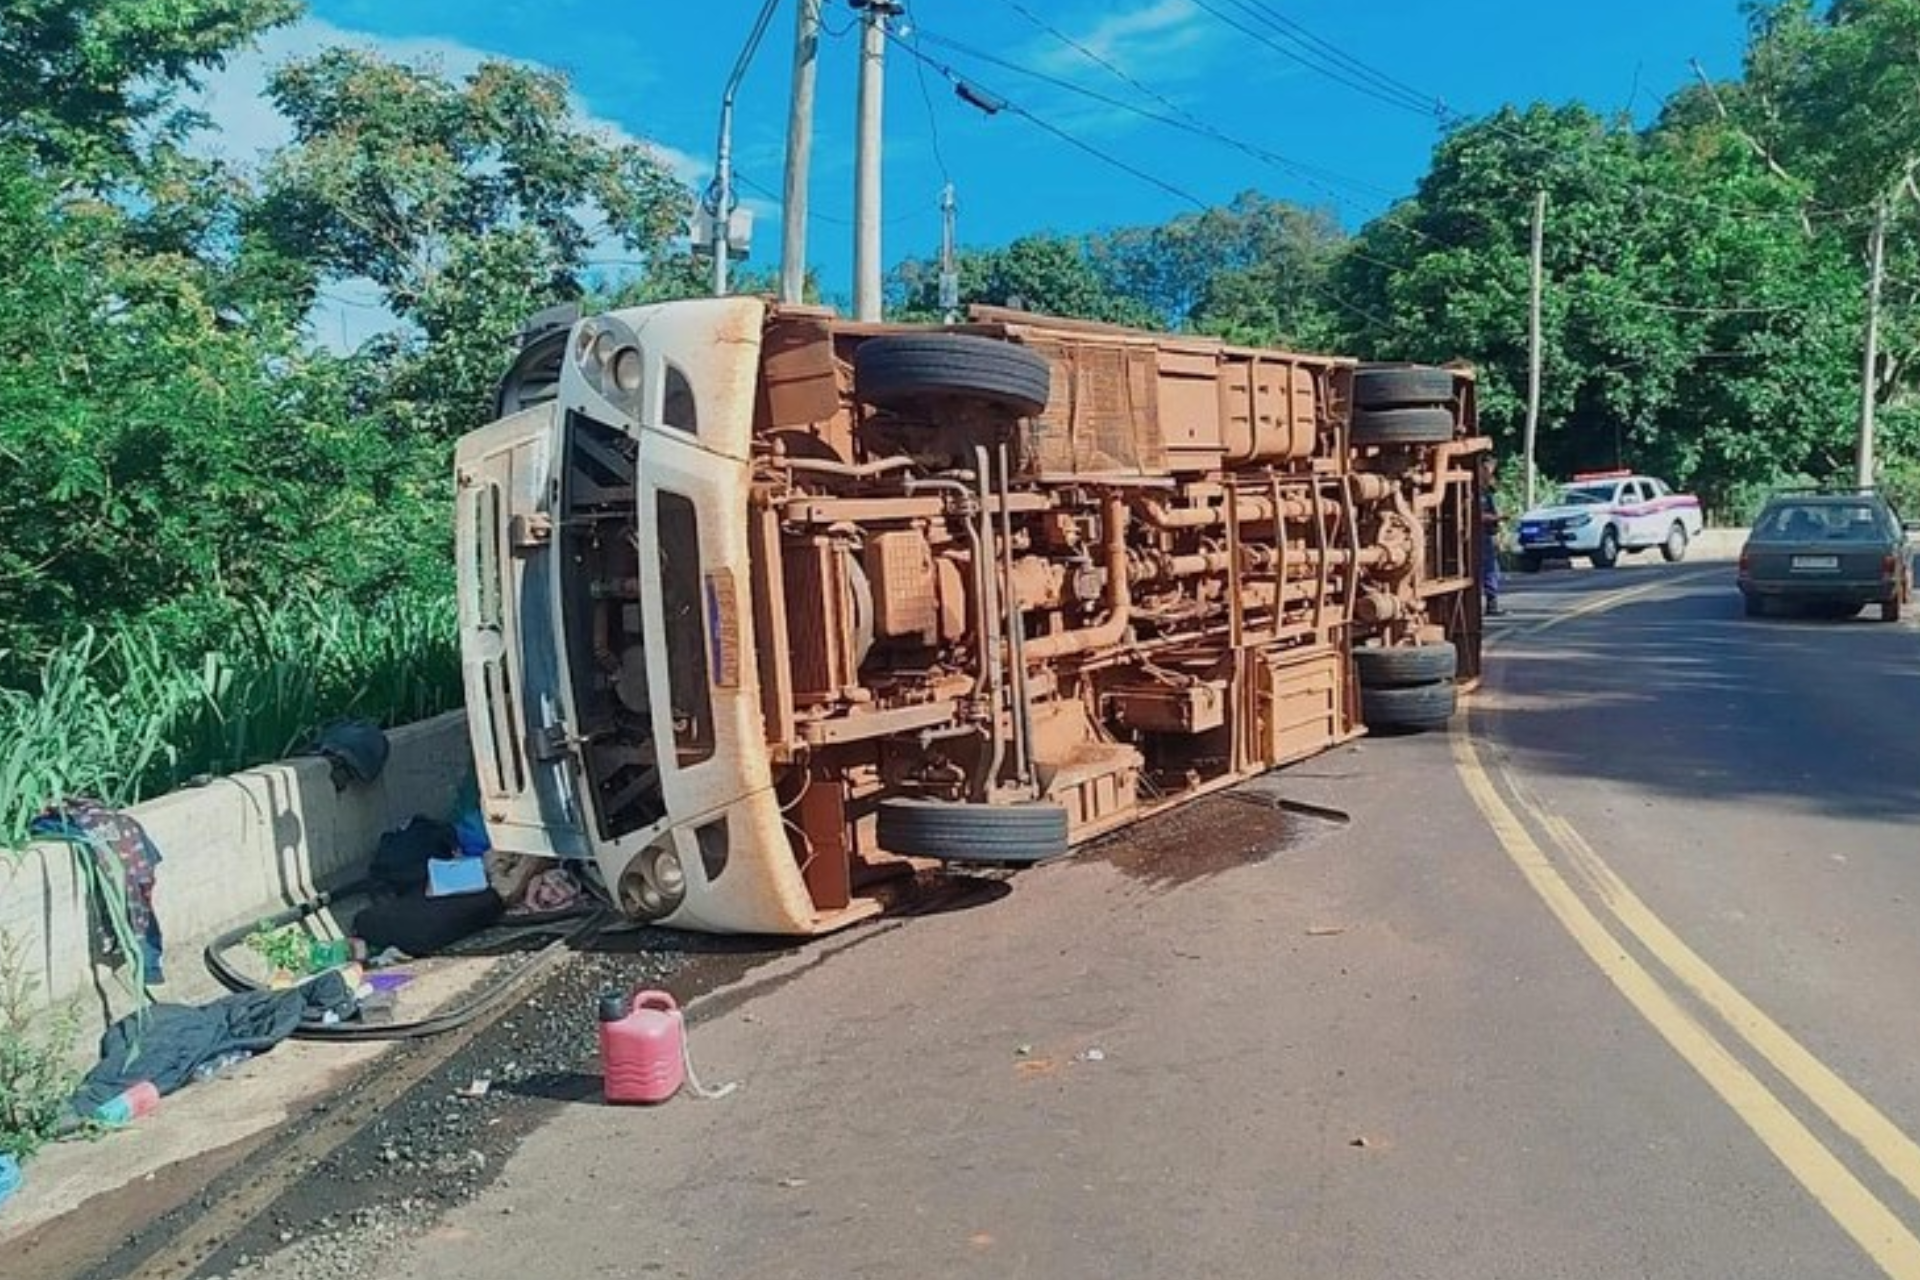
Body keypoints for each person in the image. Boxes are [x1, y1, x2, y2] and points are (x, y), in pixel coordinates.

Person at [1479, 453, 1504, 616]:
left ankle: (1491, 601)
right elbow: (1478, 515)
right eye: (1489, 468)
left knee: (1492, 568)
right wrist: (1498, 518)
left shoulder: (1486, 488)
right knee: (1489, 569)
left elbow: (1495, 488)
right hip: (1481, 534)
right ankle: (1491, 603)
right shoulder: (1478, 490)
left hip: (1488, 533)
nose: (1491, 472)